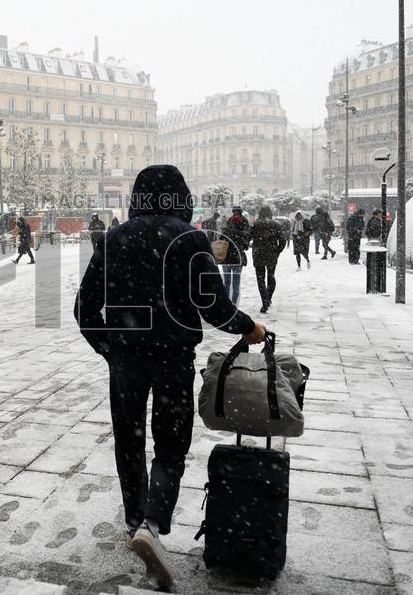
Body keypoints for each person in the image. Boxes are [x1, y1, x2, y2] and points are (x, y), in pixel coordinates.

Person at [74, 165, 265, 590]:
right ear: (181, 198)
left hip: (126, 360)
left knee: (129, 439)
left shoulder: (113, 239)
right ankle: (153, 522)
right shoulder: (190, 239)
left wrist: (110, 350)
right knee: (171, 443)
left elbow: (84, 309)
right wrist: (248, 326)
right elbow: (213, 305)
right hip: (172, 357)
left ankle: (133, 518)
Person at [249, 205, 288, 313]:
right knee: (271, 276)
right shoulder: (276, 224)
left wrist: (250, 245)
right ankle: (268, 297)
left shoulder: (255, 225)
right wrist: (277, 250)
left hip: (258, 254)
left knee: (260, 279)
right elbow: (283, 240)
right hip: (271, 254)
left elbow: (247, 238)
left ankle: (264, 301)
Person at [218, 212, 248, 305]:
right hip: (237, 260)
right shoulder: (242, 233)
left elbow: (220, 242)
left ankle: (226, 303)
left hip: (226, 260)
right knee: (236, 283)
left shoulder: (225, 231)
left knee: (226, 283)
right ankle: (234, 303)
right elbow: (246, 246)